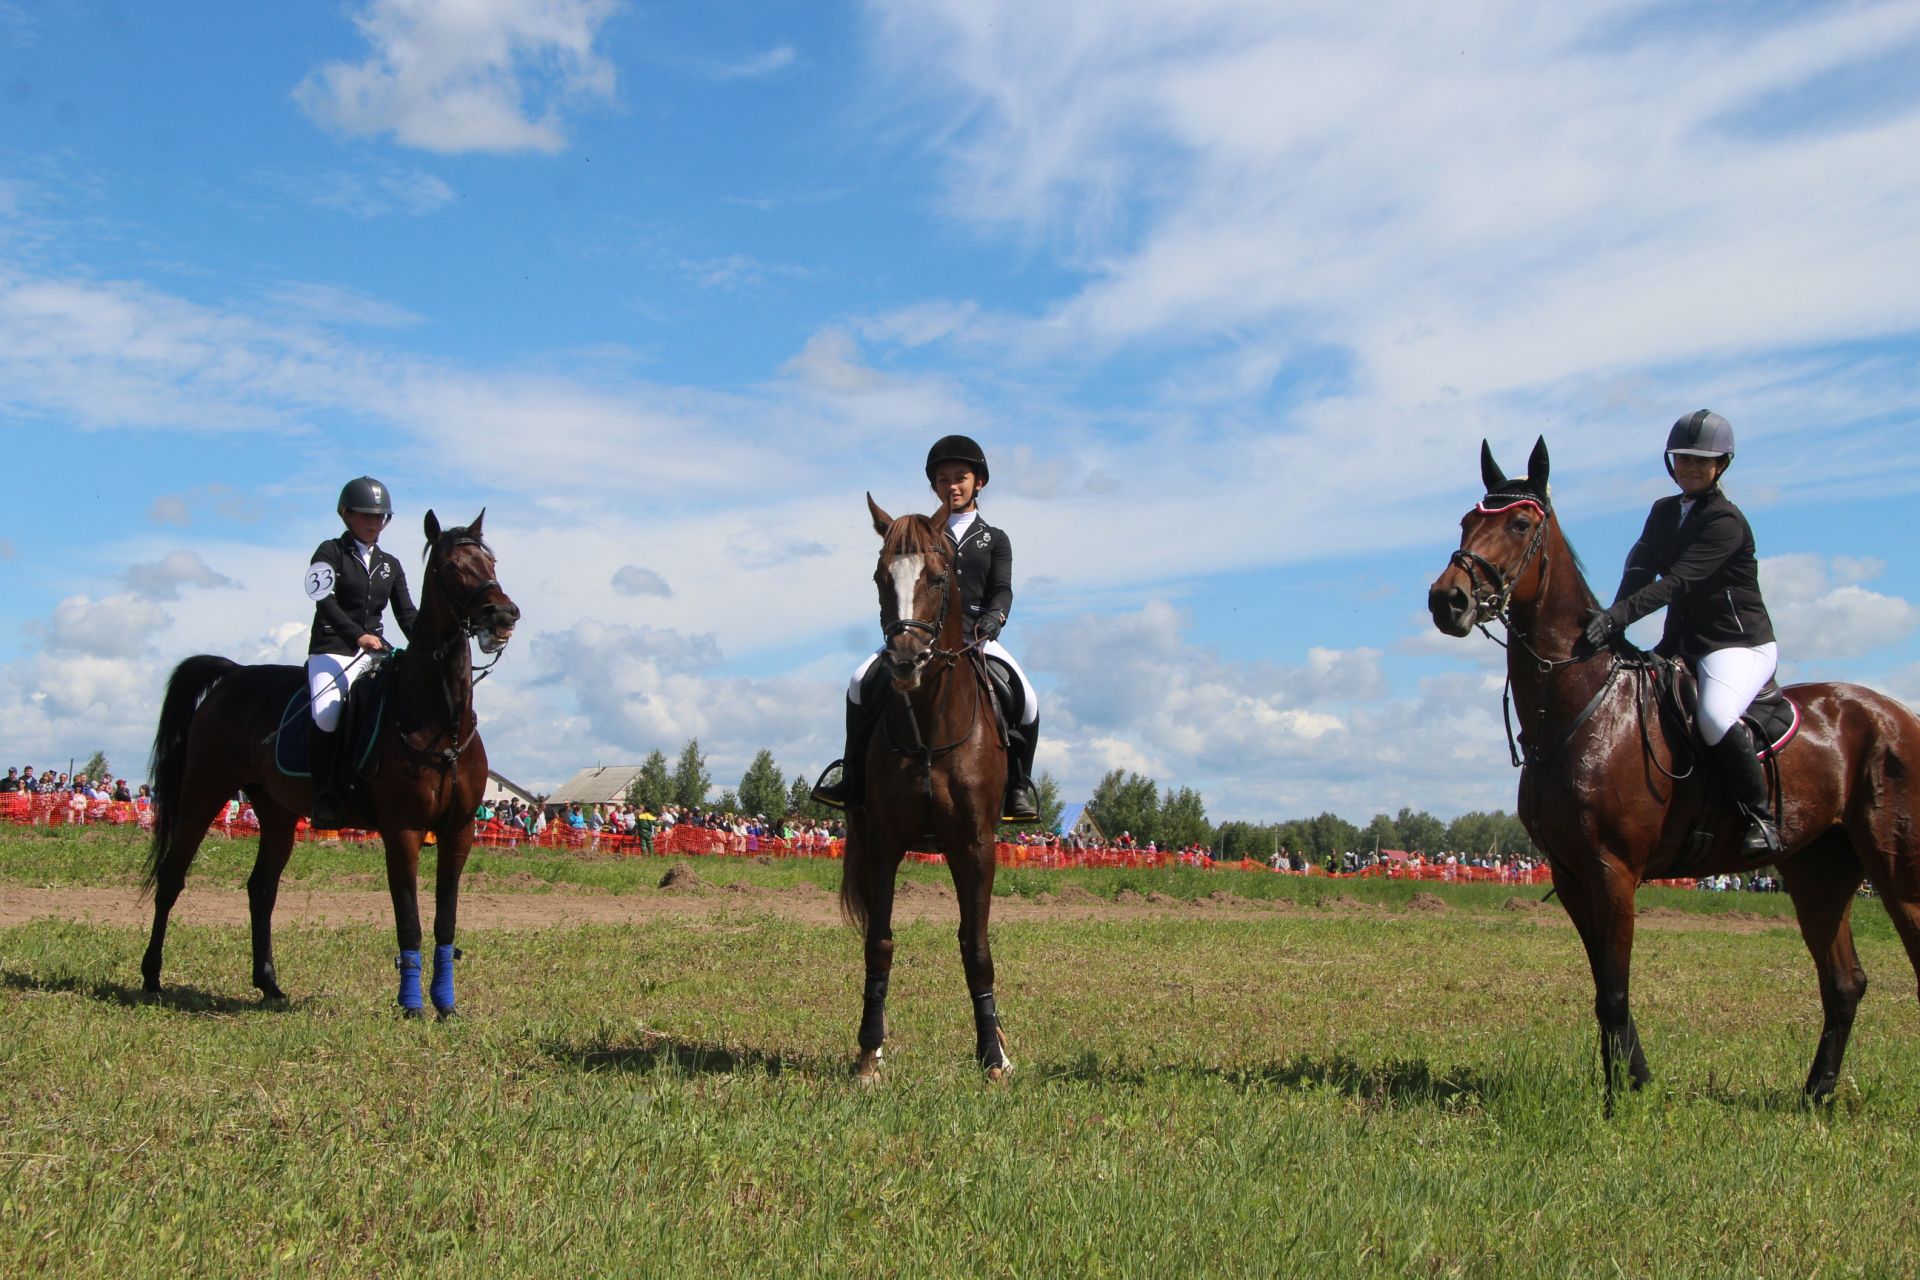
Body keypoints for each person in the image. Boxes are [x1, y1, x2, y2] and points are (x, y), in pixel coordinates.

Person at [812, 434, 1041, 821]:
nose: (951, 485)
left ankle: (1018, 785)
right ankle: (851, 774)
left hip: (977, 636)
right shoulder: (919, 532)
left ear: (978, 482)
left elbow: (1001, 589)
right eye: (943, 479)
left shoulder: (994, 539)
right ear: (934, 486)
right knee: (858, 682)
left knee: (1027, 699)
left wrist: (993, 619)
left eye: (960, 477)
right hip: (919, 633)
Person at [1583, 410, 1781, 855]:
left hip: (1736, 644)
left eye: (1701, 460)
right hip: (1683, 643)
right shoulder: (1663, 511)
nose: (1690, 467)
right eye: (1683, 458)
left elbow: (1676, 584)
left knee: (1713, 715)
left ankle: (1760, 817)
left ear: (1720, 465)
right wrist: (1612, 623)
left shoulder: (1725, 521)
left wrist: (1616, 618)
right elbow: (1639, 569)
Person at [305, 476, 418, 828]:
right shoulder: (329, 552)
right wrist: (358, 636)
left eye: (381, 516)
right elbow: (324, 600)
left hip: (375, 655)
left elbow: (407, 614)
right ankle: (324, 793)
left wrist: (435, 642)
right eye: (366, 515)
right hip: (332, 649)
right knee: (326, 713)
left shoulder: (391, 564)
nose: (374, 522)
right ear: (346, 515)